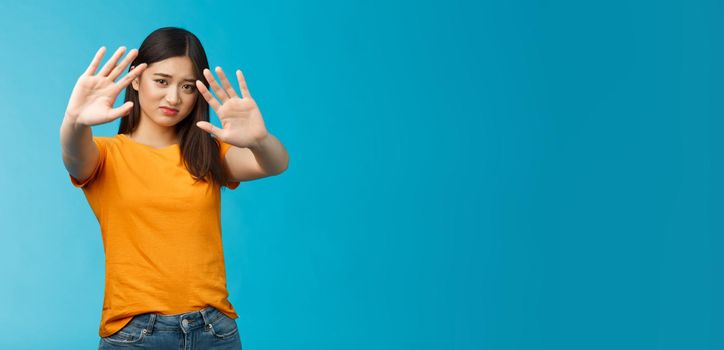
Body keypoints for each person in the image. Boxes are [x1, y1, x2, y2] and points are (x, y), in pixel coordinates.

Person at [59, 27, 289, 349]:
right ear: (136, 80)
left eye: (186, 87)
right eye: (162, 81)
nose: (173, 98)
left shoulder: (207, 152)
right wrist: (74, 120)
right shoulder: (106, 155)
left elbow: (275, 164)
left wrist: (260, 140)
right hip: (135, 334)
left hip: (214, 331)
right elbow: (73, 155)